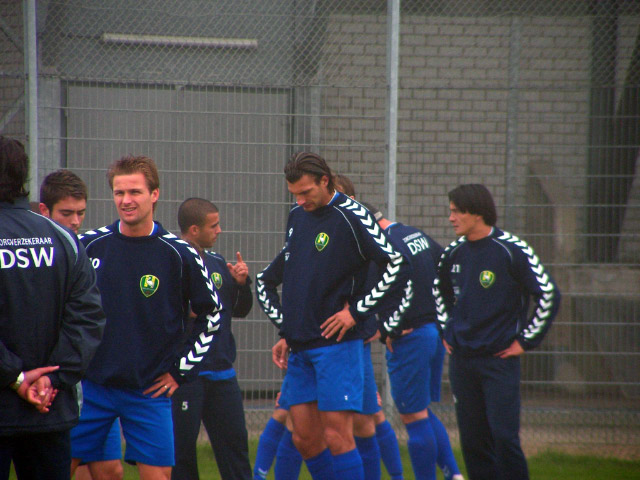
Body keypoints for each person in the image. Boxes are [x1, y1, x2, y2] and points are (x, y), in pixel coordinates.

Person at [256, 152, 412, 480]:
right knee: (305, 439)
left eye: (306, 192)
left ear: (324, 181)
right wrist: (286, 328)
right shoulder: (297, 215)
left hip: (337, 347)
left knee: (338, 437)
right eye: (294, 194)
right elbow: (295, 272)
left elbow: (396, 263)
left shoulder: (353, 215)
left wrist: (356, 311)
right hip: (300, 346)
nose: (300, 200)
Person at [70, 155, 225, 480]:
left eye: (135, 192)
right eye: (119, 192)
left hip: (148, 391)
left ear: (154, 194)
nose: (126, 201)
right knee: (58, 466)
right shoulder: (87, 246)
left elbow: (212, 315)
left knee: (158, 477)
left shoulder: (180, 254)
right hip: (91, 387)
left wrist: (178, 372)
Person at [433, 184, 561, 480]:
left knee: (504, 437)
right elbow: (439, 294)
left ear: (476, 212)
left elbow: (548, 294)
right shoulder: (453, 253)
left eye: (456, 211)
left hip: (499, 361)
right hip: (463, 362)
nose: (450, 218)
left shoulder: (512, 250)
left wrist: (525, 341)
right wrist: (447, 330)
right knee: (473, 441)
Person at [0, 135, 105, 480]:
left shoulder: (67, 238)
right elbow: (88, 319)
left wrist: (16, 377)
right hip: (50, 407)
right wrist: (52, 379)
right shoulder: (63, 239)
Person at [361, 202, 463, 480]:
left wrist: (389, 327)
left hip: (411, 338)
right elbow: (447, 268)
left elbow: (374, 299)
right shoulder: (413, 234)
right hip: (432, 333)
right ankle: (453, 474)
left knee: (414, 418)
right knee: (423, 412)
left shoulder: (382, 249)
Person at [38, 168, 125, 480]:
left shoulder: (83, 249)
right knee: (62, 465)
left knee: (111, 470)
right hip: (56, 382)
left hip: (93, 381)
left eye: (81, 213)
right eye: (67, 213)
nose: (75, 221)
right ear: (43, 211)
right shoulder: (41, 258)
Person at [171, 198, 252, 480]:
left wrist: (242, 285)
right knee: (181, 454)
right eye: (213, 225)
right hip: (186, 376)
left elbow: (239, 310)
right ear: (194, 229)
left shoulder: (217, 263)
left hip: (221, 373)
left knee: (235, 449)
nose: (219, 230)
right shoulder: (172, 261)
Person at [38, 169, 87, 235]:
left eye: (80, 213)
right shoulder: (27, 242)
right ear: (44, 210)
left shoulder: (88, 244)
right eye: (66, 214)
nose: (75, 222)